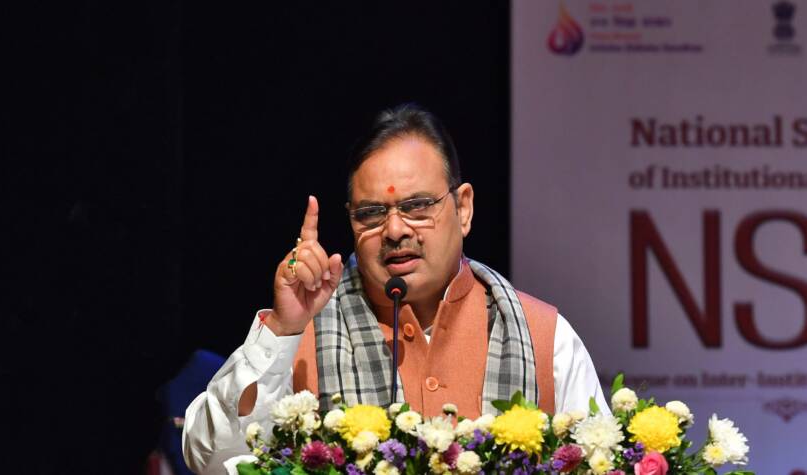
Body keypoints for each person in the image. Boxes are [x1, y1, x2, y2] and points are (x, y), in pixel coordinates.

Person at [182, 104, 608, 473]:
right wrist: (282, 329)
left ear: (463, 208)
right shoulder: (302, 335)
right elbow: (213, 462)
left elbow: (605, 461)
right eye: (371, 213)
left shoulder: (543, 337)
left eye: (417, 206)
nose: (395, 230)